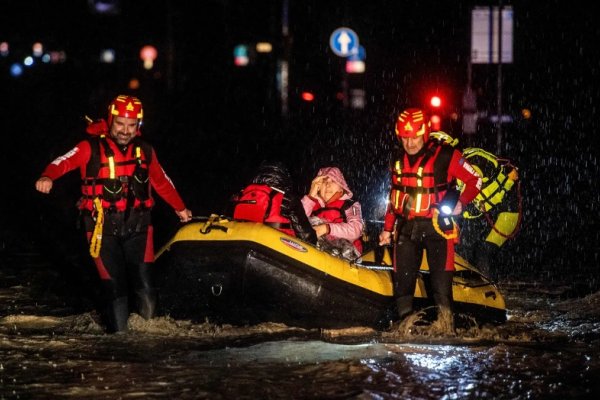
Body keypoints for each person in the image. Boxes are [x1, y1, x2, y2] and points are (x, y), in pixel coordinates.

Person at [35, 94, 192, 333]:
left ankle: (150, 338)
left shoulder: (145, 150)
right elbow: (62, 162)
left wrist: (180, 208)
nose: (125, 131)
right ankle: (121, 342)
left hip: (139, 225)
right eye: (120, 124)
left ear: (138, 125)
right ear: (110, 120)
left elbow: (161, 181)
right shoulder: (89, 147)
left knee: (145, 285)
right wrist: (48, 176)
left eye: (131, 125)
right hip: (101, 228)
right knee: (114, 286)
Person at [378, 108, 481, 329]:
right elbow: (394, 195)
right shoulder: (396, 158)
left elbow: (475, 180)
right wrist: (387, 229)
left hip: (438, 229)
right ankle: (405, 331)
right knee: (403, 286)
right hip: (406, 228)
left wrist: (461, 202)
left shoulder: (447, 155)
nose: (410, 142)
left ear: (425, 133)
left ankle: (446, 330)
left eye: (415, 136)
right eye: (405, 137)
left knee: (441, 289)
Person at [456, 147, 521, 280]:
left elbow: (474, 195)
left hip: (507, 212)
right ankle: (463, 284)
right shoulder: (459, 161)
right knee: (463, 249)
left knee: (483, 251)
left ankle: (488, 287)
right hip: (486, 211)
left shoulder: (474, 163)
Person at [232, 161, 317, 245]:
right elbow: (308, 239)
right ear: (284, 178)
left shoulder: (240, 195)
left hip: (241, 243)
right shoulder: (288, 199)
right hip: (274, 249)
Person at [301, 167, 364, 261]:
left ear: (341, 187)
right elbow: (296, 222)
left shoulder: (350, 205)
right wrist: (310, 196)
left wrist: (326, 228)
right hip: (316, 250)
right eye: (324, 182)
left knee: (315, 222)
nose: (328, 185)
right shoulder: (312, 204)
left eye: (333, 181)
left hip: (346, 254)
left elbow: (356, 229)